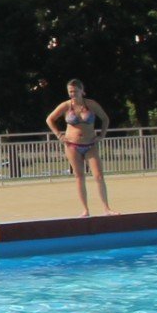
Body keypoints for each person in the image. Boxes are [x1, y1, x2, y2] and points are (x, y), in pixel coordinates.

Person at [44, 79, 115, 216]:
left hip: (90, 144)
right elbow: (49, 119)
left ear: (82, 91)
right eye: (70, 91)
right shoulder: (65, 106)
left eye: (75, 91)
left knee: (99, 176)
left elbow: (105, 118)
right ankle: (85, 209)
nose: (72, 94)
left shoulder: (91, 104)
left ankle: (106, 208)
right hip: (72, 145)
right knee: (79, 176)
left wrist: (102, 135)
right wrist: (59, 135)